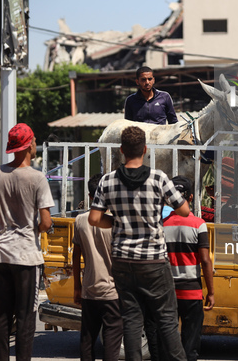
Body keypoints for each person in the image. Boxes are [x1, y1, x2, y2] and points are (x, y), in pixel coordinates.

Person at [88, 126, 190, 361]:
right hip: (154, 260)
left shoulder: (107, 181)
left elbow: (94, 218)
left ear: (121, 150)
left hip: (122, 260)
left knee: (132, 320)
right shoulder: (159, 178)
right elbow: (183, 210)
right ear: (145, 149)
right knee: (166, 318)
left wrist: (119, 222)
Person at [0, 123, 54, 361]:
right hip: (27, 256)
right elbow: (46, 221)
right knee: (25, 317)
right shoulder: (37, 178)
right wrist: (34, 229)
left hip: (1, 254)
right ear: (30, 144)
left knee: (2, 314)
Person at [162, 176, 215, 361]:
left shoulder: (162, 225)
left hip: (168, 293)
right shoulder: (199, 224)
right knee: (190, 345)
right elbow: (206, 261)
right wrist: (211, 292)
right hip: (192, 293)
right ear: (191, 198)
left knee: (167, 344)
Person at [72, 173, 123, 361]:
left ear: (90, 196)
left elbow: (75, 256)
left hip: (89, 289)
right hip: (113, 291)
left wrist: (77, 287)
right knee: (112, 339)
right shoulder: (115, 222)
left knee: (87, 338)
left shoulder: (80, 220)